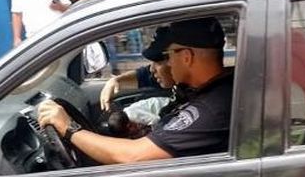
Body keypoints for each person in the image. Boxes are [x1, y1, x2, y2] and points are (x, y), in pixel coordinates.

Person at [38, 17, 232, 164]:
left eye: (168, 55)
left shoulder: (210, 110)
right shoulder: (199, 87)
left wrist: (69, 128)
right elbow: (149, 74)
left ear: (187, 57)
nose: (168, 63)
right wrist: (116, 80)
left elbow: (134, 155)